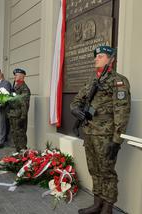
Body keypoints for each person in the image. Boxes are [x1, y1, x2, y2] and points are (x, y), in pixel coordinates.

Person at [70, 46, 131, 214]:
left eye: (101, 56)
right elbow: (77, 101)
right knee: (94, 169)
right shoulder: (91, 80)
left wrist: (117, 140)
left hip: (106, 135)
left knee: (107, 172)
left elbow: (122, 112)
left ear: (111, 59)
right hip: (89, 133)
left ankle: (107, 208)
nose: (96, 59)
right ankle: (97, 204)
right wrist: (74, 109)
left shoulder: (118, 81)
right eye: (96, 56)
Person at [6, 68, 30, 152]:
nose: (15, 77)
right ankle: (18, 154)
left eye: (16, 75)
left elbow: (24, 105)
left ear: (22, 76)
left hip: (19, 116)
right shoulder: (16, 87)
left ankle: (23, 156)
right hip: (13, 115)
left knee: (21, 137)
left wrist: (23, 118)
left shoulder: (24, 88)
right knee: (15, 136)